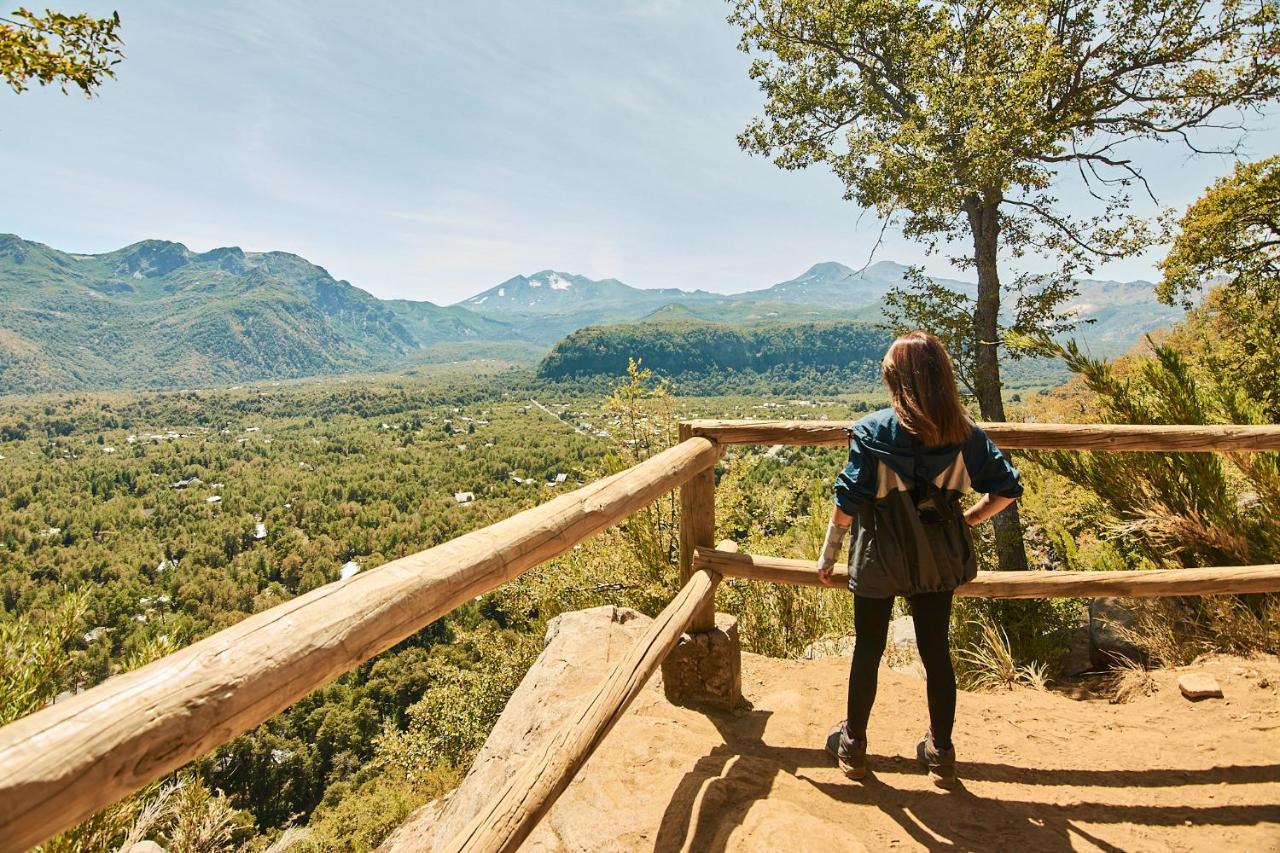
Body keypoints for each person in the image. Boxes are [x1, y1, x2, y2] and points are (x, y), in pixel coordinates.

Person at [817, 331, 1022, 788]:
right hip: (937, 559)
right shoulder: (965, 435)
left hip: (878, 558)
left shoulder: (871, 432)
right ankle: (940, 753)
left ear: (897, 381)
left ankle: (853, 744)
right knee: (936, 653)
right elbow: (1007, 488)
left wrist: (828, 555)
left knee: (867, 649)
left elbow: (847, 502)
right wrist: (967, 519)